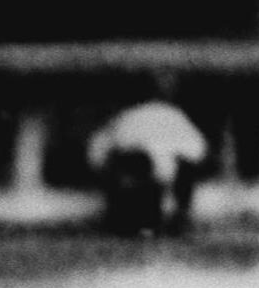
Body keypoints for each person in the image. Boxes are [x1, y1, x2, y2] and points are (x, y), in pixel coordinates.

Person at [89, 85, 209, 235]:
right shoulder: (170, 115)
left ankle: (150, 222)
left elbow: (99, 153)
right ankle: (159, 221)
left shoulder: (130, 116)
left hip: (147, 167)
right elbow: (198, 150)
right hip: (146, 166)